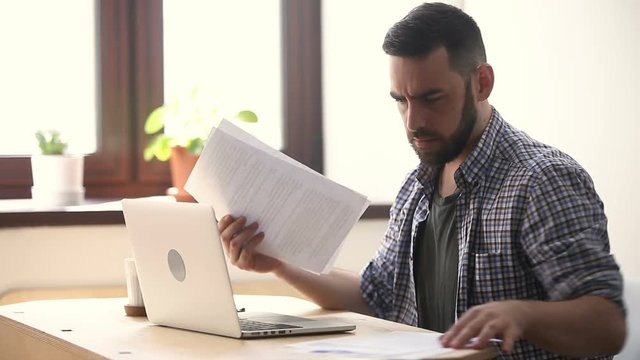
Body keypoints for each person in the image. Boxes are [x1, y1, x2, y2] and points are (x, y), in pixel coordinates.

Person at [217, 2, 626, 359]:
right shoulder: (419, 185)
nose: (414, 121)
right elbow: (375, 297)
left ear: (481, 83)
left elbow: (607, 325)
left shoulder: (543, 180)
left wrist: (520, 314)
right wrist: (279, 263)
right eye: (401, 101)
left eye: (432, 98)